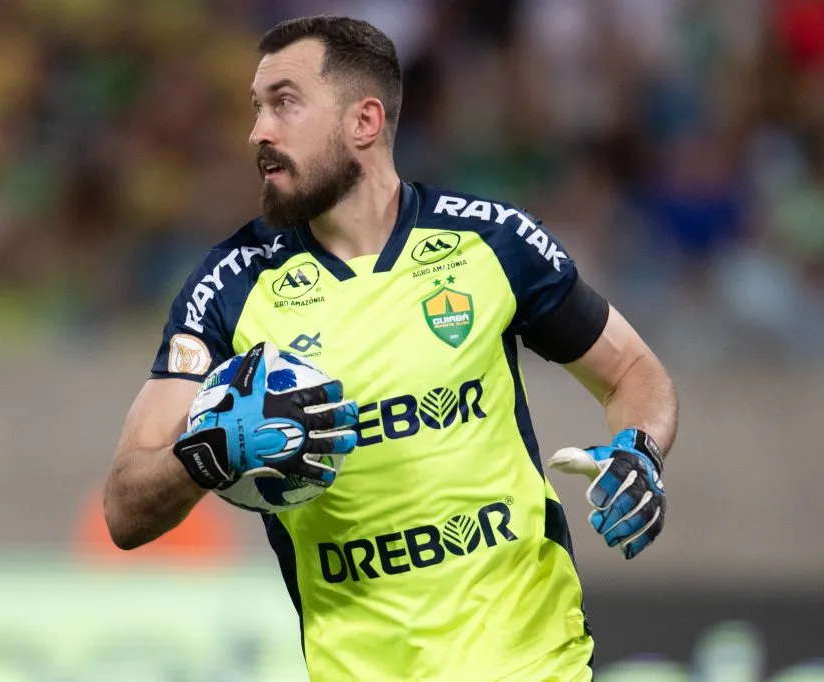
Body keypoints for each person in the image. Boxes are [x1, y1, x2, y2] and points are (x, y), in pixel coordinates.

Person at [103, 15, 678, 681]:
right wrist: (208, 454)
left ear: (364, 123)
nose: (258, 132)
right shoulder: (228, 287)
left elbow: (633, 371)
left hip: (534, 665)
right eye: (256, 109)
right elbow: (124, 505)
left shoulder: (490, 243)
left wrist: (641, 448)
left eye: (284, 103)